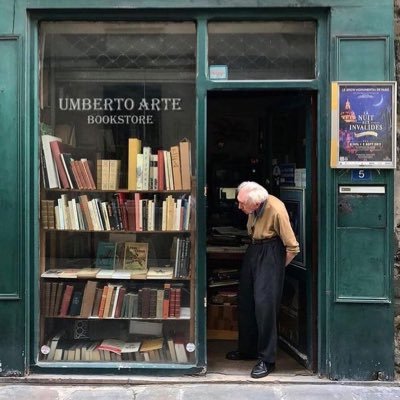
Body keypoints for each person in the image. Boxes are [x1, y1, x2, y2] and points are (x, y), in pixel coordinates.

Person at [226, 181, 299, 378]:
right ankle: (247, 350)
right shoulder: (252, 207)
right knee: (246, 300)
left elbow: (292, 247)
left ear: (256, 203)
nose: (239, 207)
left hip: (271, 252)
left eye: (242, 204)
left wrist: (275, 268)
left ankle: (267, 360)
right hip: (254, 249)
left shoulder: (276, 209)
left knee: (265, 306)